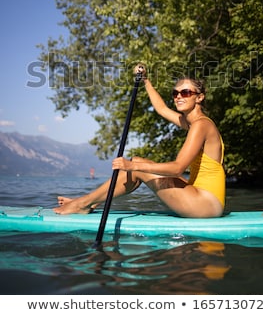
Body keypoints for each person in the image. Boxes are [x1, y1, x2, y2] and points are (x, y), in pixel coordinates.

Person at [54, 64, 225, 218]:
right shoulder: (194, 123)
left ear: (199, 97)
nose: (178, 97)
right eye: (175, 93)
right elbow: (162, 109)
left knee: (136, 167)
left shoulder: (200, 125)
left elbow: (178, 167)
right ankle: (90, 202)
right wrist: (146, 80)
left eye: (186, 93)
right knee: (137, 161)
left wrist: (133, 167)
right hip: (201, 196)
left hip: (206, 204)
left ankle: (83, 203)